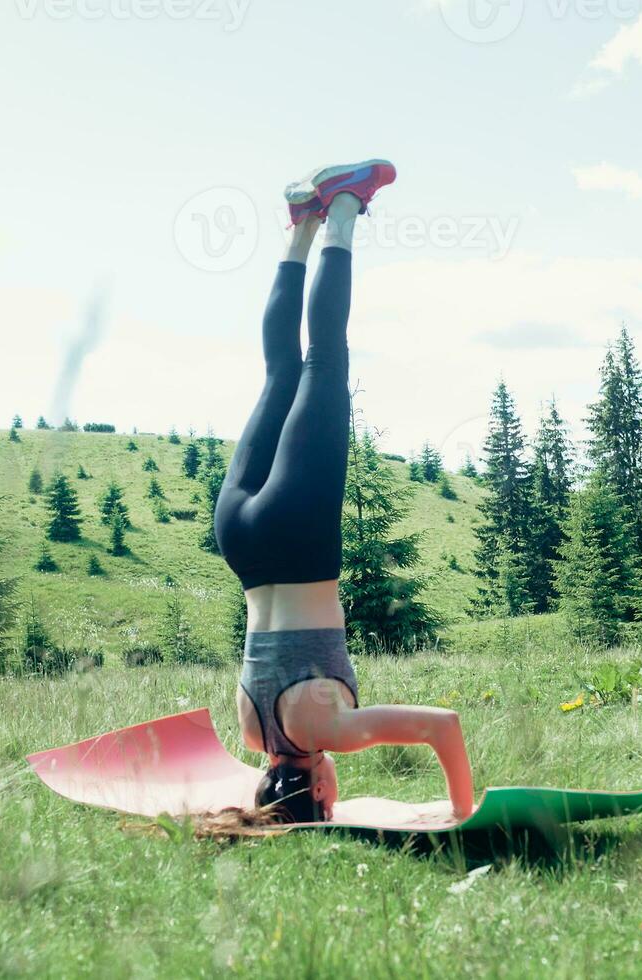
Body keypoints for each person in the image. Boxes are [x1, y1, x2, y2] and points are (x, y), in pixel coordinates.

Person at [213, 160, 475, 824]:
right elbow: (276, 783)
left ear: (323, 792)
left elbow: (443, 726)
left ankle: (345, 207)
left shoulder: (327, 729)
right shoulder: (251, 730)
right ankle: (301, 221)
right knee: (278, 373)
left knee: (324, 358)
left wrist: (460, 813)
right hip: (240, 536)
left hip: (296, 537)